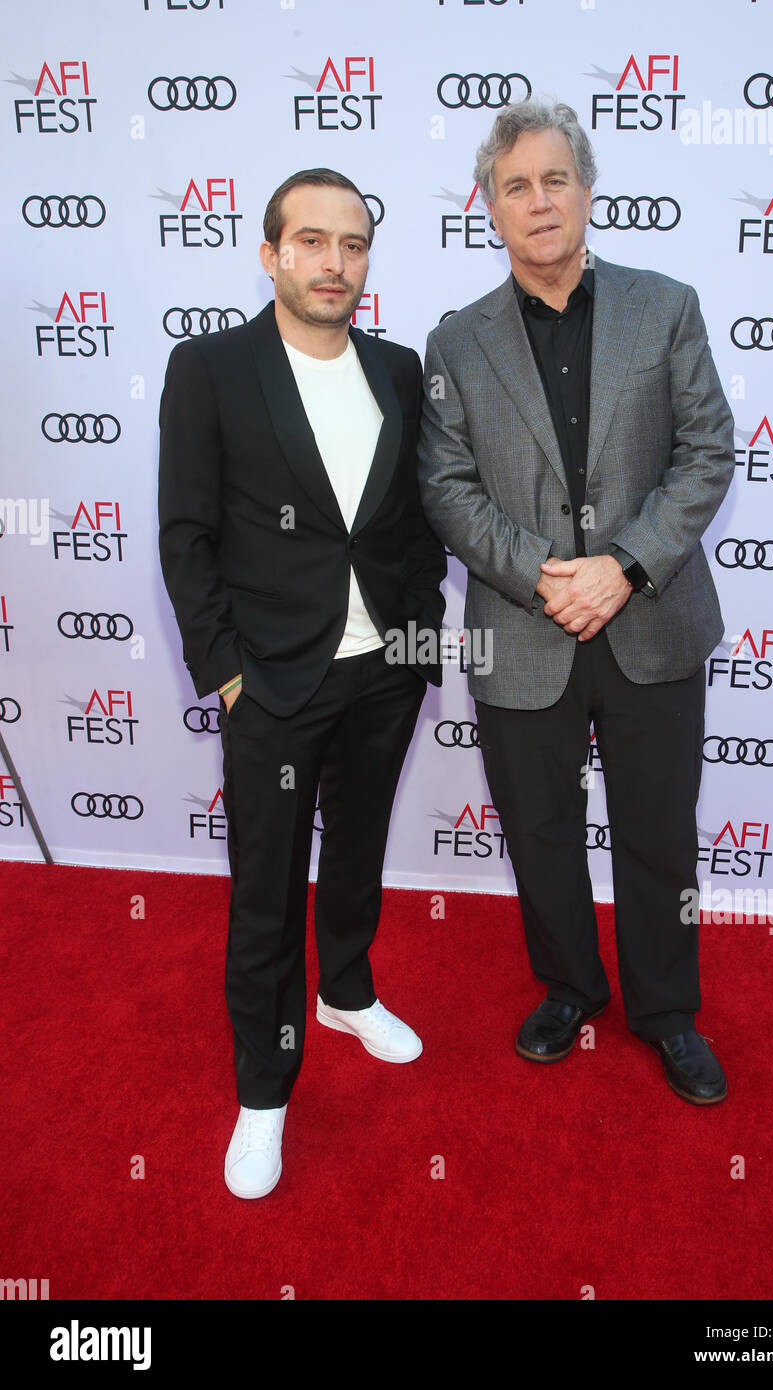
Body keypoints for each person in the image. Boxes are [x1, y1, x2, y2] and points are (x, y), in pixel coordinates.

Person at [417, 102, 734, 1104]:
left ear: (589, 192)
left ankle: (668, 1012)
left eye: (556, 179)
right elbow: (447, 486)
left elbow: (707, 451)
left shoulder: (666, 305)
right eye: (516, 186)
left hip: (651, 614)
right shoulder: (456, 341)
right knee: (539, 828)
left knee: (657, 828)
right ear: (490, 208)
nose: (539, 200)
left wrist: (624, 565)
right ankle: (569, 986)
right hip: (524, 624)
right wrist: (547, 573)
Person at [159, 168, 446, 1197]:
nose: (335, 262)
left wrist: (421, 636)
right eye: (313, 241)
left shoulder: (399, 369)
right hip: (273, 681)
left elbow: (414, 524)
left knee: (360, 846)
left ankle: (349, 991)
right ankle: (265, 1093)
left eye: (354, 243)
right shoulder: (212, 367)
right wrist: (226, 674)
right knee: (266, 893)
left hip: (385, 672)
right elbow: (185, 536)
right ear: (271, 252)